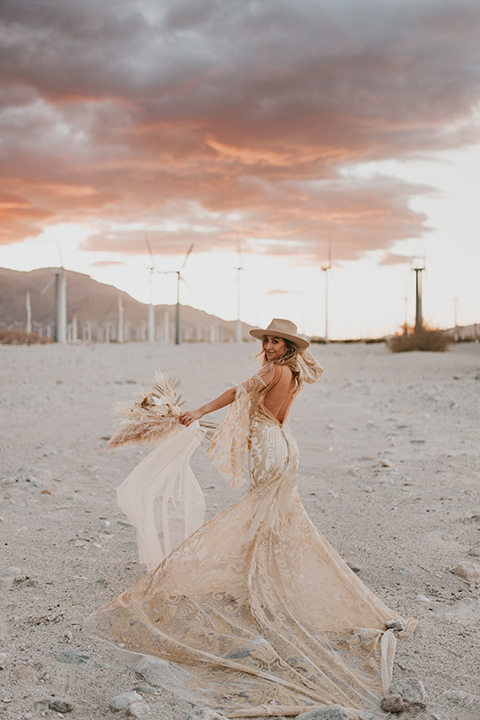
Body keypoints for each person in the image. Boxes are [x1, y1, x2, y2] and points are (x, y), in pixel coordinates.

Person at [87, 318, 411, 719]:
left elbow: (236, 393)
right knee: (275, 515)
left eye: (277, 341)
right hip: (285, 444)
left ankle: (262, 584)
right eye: (269, 340)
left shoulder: (274, 369)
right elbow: (260, 406)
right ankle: (263, 579)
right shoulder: (296, 371)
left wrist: (198, 411)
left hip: (269, 446)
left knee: (257, 511)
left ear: (288, 346)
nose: (271, 345)